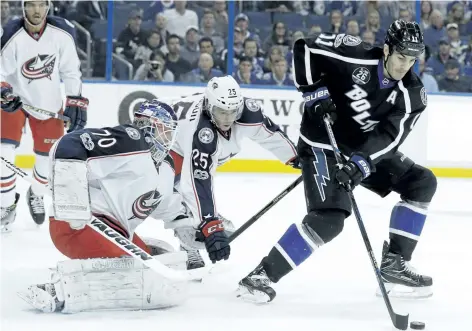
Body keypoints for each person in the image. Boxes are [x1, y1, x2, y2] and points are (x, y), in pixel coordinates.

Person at [237, 20, 437, 303]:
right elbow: (304, 47)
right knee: (329, 221)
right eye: (401, 57)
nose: (405, 66)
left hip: (360, 149)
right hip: (322, 143)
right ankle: (260, 276)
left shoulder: (413, 93)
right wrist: (313, 91)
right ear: (387, 49)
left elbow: (391, 137)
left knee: (421, 182)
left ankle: (395, 263)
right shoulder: (353, 54)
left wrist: (360, 164)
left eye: (412, 60)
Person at [17, 100, 203, 314]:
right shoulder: (131, 140)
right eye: (166, 130)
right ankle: (57, 291)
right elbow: (68, 144)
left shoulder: (166, 165)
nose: (169, 139)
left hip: (118, 233)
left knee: (158, 267)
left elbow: (166, 203)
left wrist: (189, 227)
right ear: (150, 125)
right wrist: (71, 199)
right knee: (136, 273)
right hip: (78, 226)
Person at [153, 75, 298, 270]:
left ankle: (193, 224)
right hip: (164, 142)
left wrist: (297, 157)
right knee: (165, 200)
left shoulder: (248, 112)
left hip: (183, 150)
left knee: (198, 212)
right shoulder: (201, 131)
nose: (228, 119)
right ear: (209, 106)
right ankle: (188, 243)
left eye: (233, 112)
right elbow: (197, 181)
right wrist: (209, 223)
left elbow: (270, 135)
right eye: (222, 112)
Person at [1, 0, 87, 231]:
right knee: (3, 151)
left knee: (46, 168)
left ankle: (36, 193)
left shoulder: (62, 32)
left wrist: (75, 99)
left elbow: (71, 70)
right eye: (31, 5)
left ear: (48, 7)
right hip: (14, 102)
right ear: (24, 7)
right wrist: (3, 90)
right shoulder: (11, 32)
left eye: (41, 5)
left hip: (47, 104)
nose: (36, 10)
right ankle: (5, 207)